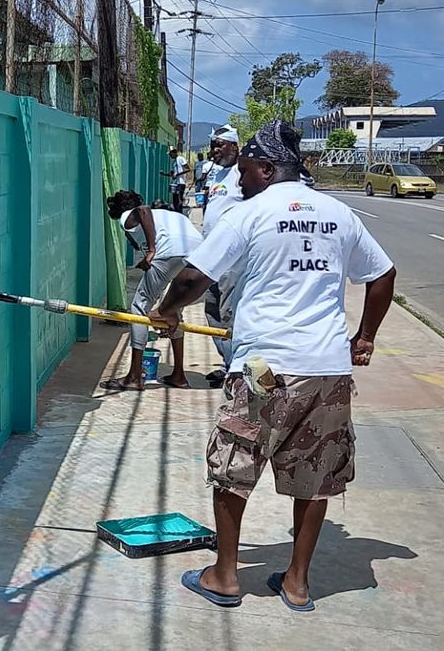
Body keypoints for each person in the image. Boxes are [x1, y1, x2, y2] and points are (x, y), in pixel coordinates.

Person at [150, 120, 396, 612]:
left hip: (265, 369)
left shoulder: (251, 213)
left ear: (266, 168)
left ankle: (224, 576)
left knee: (233, 469)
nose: (238, 181)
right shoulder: (339, 213)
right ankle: (297, 584)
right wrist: (364, 337)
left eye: (244, 171)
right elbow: (383, 273)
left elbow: (195, 275)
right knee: (317, 476)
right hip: (327, 371)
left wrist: (166, 310)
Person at [103, 190, 202, 391]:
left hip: (169, 253)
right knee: (174, 310)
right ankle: (179, 376)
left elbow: (142, 210)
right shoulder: (170, 215)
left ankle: (134, 376)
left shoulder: (128, 215)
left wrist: (151, 250)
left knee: (139, 307)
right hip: (198, 255)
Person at [201, 125, 242, 387]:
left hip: (233, 260)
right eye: (213, 145)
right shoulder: (217, 174)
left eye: (219, 145)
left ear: (234, 147)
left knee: (231, 314)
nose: (214, 150)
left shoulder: (243, 175)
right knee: (212, 311)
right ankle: (229, 365)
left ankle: (239, 368)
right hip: (211, 258)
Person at [162, 148, 190, 213]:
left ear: (174, 153)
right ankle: (176, 212)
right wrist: (164, 174)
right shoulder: (174, 162)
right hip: (175, 183)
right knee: (175, 201)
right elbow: (172, 174)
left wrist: (177, 174)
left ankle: (180, 214)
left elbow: (187, 169)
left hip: (181, 183)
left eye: (170, 154)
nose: (170, 156)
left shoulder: (180, 159)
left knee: (179, 200)